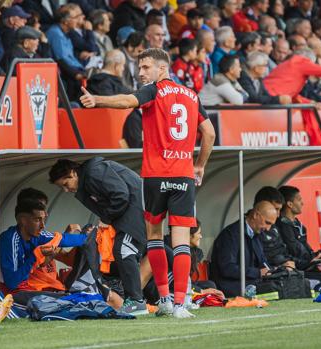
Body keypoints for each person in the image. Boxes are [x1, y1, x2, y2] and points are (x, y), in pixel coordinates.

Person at [80, 48, 216, 318]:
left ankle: (165, 299)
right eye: (139, 68)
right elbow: (209, 132)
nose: (141, 73)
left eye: (146, 67)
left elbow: (127, 101)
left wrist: (97, 100)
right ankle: (179, 303)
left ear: (162, 70)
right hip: (183, 175)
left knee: (154, 238)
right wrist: (199, 165)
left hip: (155, 176)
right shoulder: (191, 95)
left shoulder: (154, 91)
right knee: (180, 242)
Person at [49, 157, 149, 315]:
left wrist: (106, 219)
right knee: (126, 250)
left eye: (65, 185)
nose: (66, 191)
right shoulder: (89, 177)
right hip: (134, 211)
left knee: (124, 251)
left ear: (72, 173)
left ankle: (137, 301)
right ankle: (141, 300)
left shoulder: (93, 172)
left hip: (138, 210)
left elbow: (120, 194)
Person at [210, 201, 278, 297]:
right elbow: (227, 268)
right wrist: (257, 272)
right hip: (228, 284)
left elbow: (263, 263)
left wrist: (272, 271)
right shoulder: (230, 235)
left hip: (248, 281)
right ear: (255, 215)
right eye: (267, 223)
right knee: (270, 289)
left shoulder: (257, 235)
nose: (268, 228)